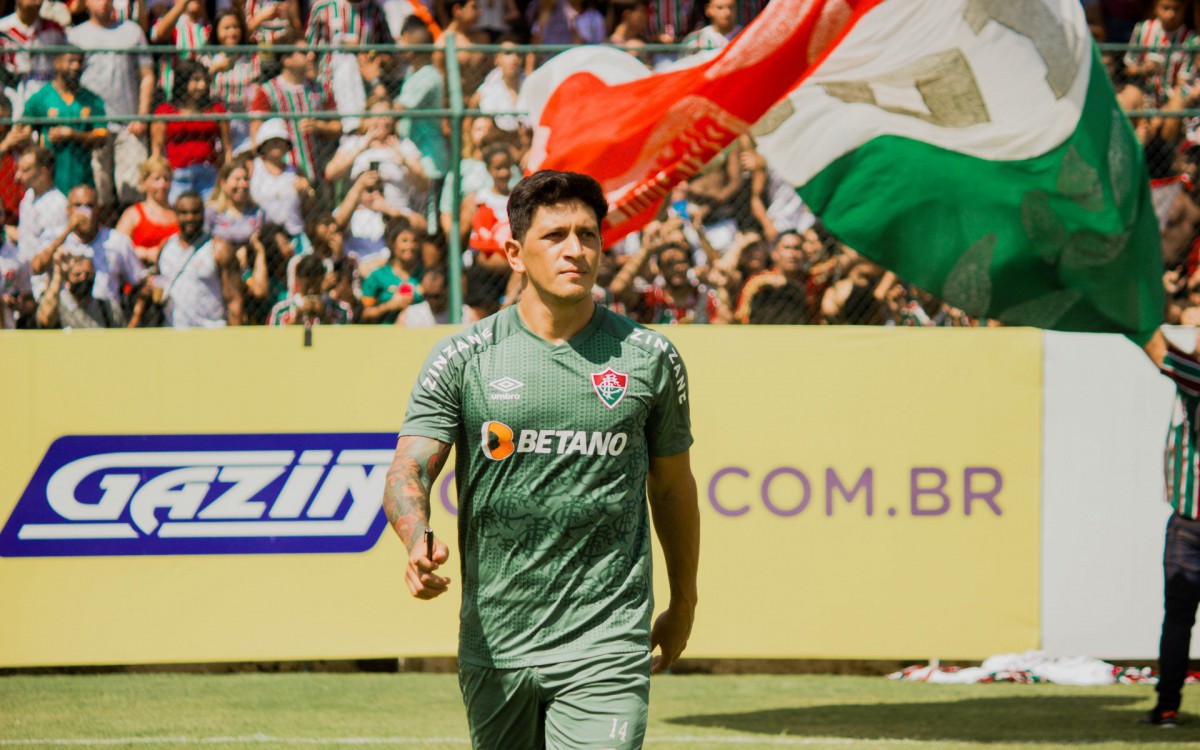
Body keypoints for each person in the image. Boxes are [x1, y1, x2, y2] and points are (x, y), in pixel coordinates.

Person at [382, 169, 699, 750]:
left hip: (608, 638)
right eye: (555, 236)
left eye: (587, 235)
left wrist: (684, 600)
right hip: (496, 639)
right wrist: (416, 537)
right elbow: (409, 467)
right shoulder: (462, 357)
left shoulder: (650, 358)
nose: (575, 249)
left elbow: (674, 488)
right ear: (515, 252)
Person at [1140, 328, 1200, 728]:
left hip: (1190, 522)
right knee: (1177, 619)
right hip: (1188, 520)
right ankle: (1165, 706)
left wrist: (1129, 310)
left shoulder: (1195, 376)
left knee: (1177, 619)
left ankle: (1166, 706)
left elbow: (1159, 351)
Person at [67, 0, 155, 215]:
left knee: (133, 193)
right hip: (93, 129)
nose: (104, 2)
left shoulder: (132, 31)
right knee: (100, 197)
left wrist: (142, 116)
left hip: (129, 126)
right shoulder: (74, 36)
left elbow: (147, 75)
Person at [34, 184, 147, 306]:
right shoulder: (54, 236)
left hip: (106, 318)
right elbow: (36, 268)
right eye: (77, 206)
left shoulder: (117, 241)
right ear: (68, 209)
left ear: (97, 210)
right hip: (65, 319)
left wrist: (133, 321)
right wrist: (67, 231)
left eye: (89, 206)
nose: (84, 212)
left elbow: (140, 281)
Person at [248, 42, 341, 183]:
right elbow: (256, 134)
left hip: (319, 171)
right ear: (287, 60)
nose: (311, 56)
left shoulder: (321, 89)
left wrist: (319, 126)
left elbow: (338, 127)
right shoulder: (267, 92)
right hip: (283, 176)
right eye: (304, 53)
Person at [21, 49, 109, 196]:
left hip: (82, 179)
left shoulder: (92, 100)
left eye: (79, 62)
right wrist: (39, 150)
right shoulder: (41, 98)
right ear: (56, 63)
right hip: (50, 182)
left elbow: (102, 136)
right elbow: (21, 132)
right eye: (71, 61)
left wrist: (73, 135)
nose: (76, 66)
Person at [158, 191, 242, 327]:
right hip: (175, 332)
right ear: (176, 214)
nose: (190, 217)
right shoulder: (166, 247)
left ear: (203, 214)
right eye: (184, 213)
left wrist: (236, 339)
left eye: (195, 212)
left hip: (211, 331)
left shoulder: (218, 248)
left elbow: (233, 299)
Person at [151, 59, 231, 202]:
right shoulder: (166, 111)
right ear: (183, 81)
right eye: (196, 80)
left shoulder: (215, 110)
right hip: (177, 175)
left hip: (208, 174)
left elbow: (227, 147)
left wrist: (226, 174)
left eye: (204, 80)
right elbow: (157, 151)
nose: (202, 85)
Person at [35, 250, 140, 328]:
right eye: (78, 275)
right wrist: (58, 274)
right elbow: (45, 319)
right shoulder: (58, 307)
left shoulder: (108, 309)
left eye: (88, 274)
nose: (83, 278)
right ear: (66, 280)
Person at [0, 0, 68, 118]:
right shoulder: (3, 28)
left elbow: (65, 61)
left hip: (46, 100)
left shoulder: (54, 29)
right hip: (12, 99)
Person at [15, 145, 65, 297]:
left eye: (25, 170)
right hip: (23, 281)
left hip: (43, 284)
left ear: (43, 172)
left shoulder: (58, 204)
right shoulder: (28, 196)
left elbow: (51, 249)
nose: (17, 176)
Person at [115, 156, 179, 266]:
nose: (162, 184)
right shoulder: (133, 214)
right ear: (144, 183)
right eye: (156, 179)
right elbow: (116, 247)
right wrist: (146, 253)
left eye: (166, 179)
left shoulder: (178, 214)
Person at [360, 215, 422, 323]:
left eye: (414, 241)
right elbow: (365, 315)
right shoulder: (378, 276)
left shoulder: (422, 275)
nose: (410, 246)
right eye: (404, 241)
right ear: (391, 244)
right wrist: (389, 306)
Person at [267, 251, 352, 325]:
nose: (311, 291)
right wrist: (296, 319)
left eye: (315, 285)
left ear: (323, 279)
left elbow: (342, 340)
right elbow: (273, 341)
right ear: (298, 280)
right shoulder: (280, 312)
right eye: (307, 286)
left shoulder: (341, 310)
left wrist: (324, 317)